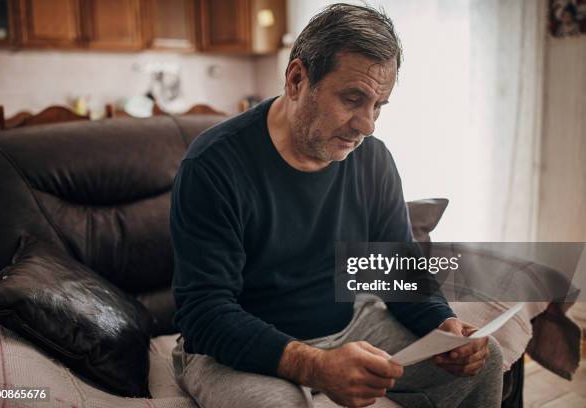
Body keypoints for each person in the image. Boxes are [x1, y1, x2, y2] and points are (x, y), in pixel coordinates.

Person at [170, 3, 503, 407]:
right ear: (296, 80)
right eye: (353, 99)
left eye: (378, 106)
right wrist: (315, 365)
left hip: (350, 327)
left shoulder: (374, 159)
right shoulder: (214, 165)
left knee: (487, 361)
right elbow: (203, 313)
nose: (368, 125)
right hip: (237, 348)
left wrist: (442, 322)